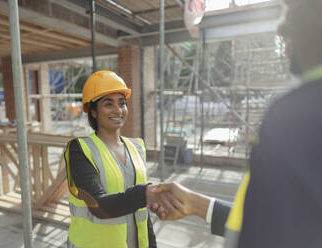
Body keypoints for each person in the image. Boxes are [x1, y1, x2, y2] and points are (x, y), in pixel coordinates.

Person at [149, 0, 322, 247]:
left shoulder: (298, 114)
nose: (281, 27)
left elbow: (270, 233)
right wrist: (199, 205)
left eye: (292, 11)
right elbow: (282, 219)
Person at [64, 70, 163, 248]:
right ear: (93, 111)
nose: (118, 110)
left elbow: (142, 212)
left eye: (122, 103)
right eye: (108, 104)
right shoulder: (81, 150)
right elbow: (98, 206)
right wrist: (145, 193)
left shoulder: (137, 148)